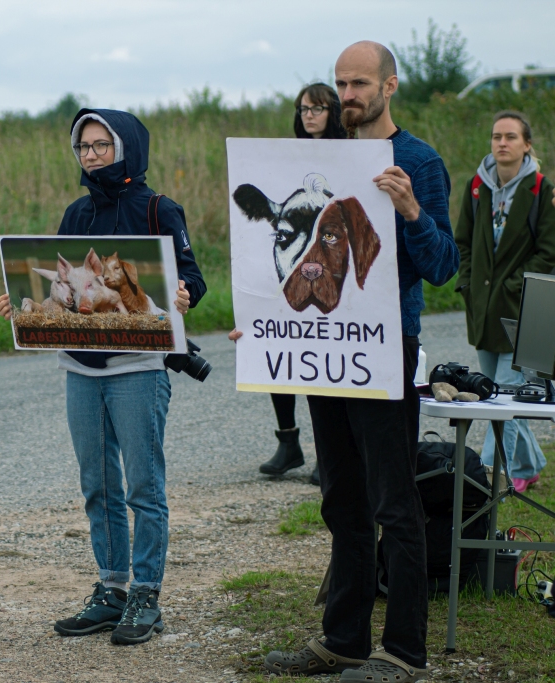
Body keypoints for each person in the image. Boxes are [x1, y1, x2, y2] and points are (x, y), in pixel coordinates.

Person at [232, 42, 458, 682]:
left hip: (385, 354)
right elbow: (272, 251)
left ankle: (404, 653)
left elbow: (443, 267)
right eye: (340, 83)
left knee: (395, 505)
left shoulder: (416, 160)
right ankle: (344, 640)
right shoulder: (314, 159)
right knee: (343, 502)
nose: (348, 95)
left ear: (390, 85)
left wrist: (411, 210)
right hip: (323, 358)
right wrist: (257, 318)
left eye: (360, 83)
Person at [0, 108, 205, 645]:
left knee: (142, 484)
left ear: (125, 148)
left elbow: (192, 277)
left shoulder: (160, 208)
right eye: (83, 147)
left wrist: (184, 296)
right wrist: (22, 310)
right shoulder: (76, 213)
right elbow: (61, 295)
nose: (90, 155)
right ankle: (111, 589)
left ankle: (146, 594)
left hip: (139, 368)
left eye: (100, 145)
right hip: (79, 368)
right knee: (98, 484)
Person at [455, 111, 555, 493]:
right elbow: (463, 241)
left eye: (511, 137)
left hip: (521, 310)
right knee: (500, 394)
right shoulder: (476, 187)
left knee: (501, 399)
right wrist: (466, 283)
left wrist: (515, 285)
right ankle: (530, 463)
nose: (502, 143)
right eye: (496, 136)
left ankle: (488, 479)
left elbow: (548, 252)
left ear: (526, 144)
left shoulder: (542, 190)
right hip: (482, 307)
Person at [260, 83, 346, 485]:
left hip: (327, 272)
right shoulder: (286, 158)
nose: (309, 115)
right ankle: (288, 441)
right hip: (290, 268)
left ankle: (327, 453)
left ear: (334, 111)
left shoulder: (352, 155)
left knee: (324, 360)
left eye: (318, 108)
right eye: (304, 109)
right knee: (284, 354)